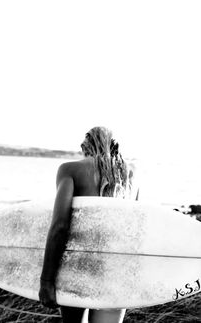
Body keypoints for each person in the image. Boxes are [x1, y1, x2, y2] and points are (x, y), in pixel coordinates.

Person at [39, 126, 139, 323]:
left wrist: (46, 281)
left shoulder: (70, 170)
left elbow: (60, 226)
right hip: (117, 271)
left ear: (86, 147)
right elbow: (135, 229)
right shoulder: (131, 174)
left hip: (79, 269)